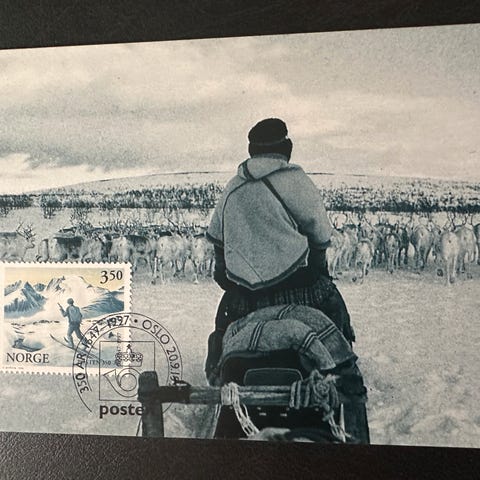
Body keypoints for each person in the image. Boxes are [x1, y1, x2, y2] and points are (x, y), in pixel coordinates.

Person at [205, 117, 355, 382]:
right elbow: (321, 236)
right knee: (333, 304)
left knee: (223, 321)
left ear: (252, 150)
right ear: (286, 148)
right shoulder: (297, 181)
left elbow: (218, 241)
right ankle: (341, 367)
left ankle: (218, 367)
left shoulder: (233, 187)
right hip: (299, 285)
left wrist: (230, 280)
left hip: (246, 294)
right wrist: (319, 271)